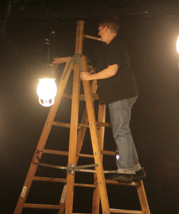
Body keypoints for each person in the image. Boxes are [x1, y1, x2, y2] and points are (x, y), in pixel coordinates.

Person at [53, 17, 145, 183]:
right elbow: (85, 59)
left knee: (120, 131)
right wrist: (65, 59)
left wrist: (90, 77)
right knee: (124, 130)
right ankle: (136, 168)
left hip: (120, 93)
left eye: (100, 29)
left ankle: (125, 169)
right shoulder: (107, 49)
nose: (98, 33)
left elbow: (112, 70)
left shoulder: (116, 45)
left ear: (107, 28)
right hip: (120, 93)